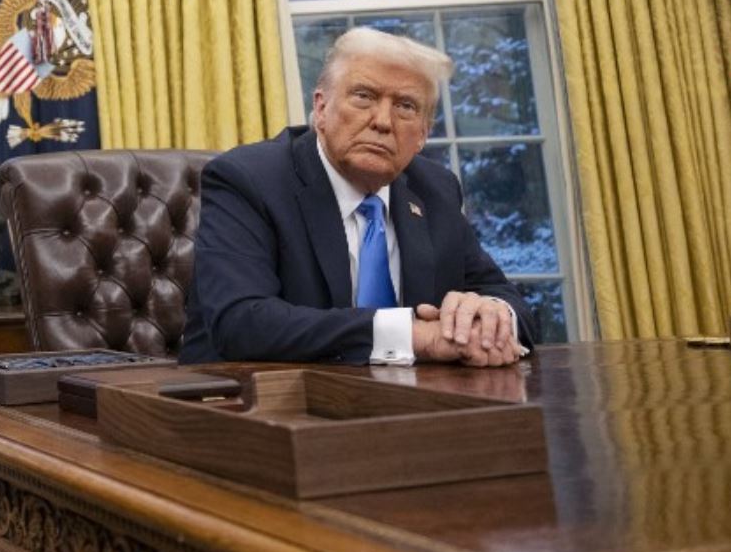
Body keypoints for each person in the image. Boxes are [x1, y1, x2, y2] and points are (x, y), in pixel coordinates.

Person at [179, 28, 534, 367]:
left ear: (423, 134)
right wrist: (413, 336)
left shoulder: (435, 190)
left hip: (405, 409)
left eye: (406, 106)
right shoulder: (249, 179)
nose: (382, 121)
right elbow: (242, 323)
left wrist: (490, 320)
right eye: (363, 96)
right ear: (321, 109)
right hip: (247, 408)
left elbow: (510, 302)